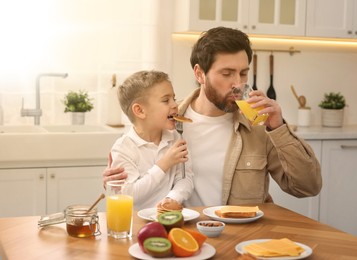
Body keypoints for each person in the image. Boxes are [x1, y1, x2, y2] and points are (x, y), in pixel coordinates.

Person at [104, 27, 321, 207]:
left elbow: (308, 187)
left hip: (239, 240)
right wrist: (116, 183)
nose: (238, 84)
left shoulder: (258, 126)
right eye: (227, 74)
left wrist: (278, 128)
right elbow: (137, 172)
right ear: (199, 74)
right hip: (183, 238)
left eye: (243, 73)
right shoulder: (167, 120)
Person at [110, 70, 194, 210]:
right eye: (166, 100)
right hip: (136, 224)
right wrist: (163, 164)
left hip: (169, 218)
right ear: (140, 111)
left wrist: (173, 198)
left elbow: (185, 178)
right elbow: (129, 195)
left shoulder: (175, 138)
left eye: (174, 98)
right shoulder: (123, 148)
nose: (175, 105)